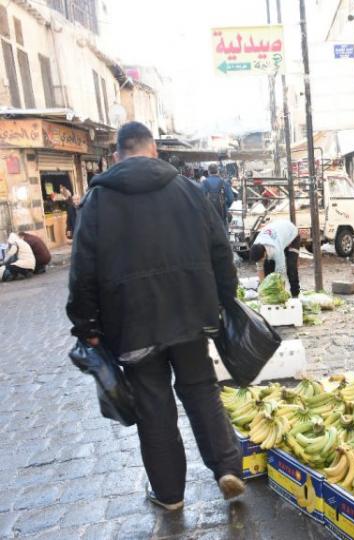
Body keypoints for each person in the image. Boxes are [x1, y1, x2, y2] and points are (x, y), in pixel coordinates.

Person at [66, 121, 245, 511]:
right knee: (201, 391)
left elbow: (82, 272)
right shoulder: (188, 190)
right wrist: (224, 300)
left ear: (117, 155)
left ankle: (170, 495)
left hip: (132, 326)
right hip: (192, 316)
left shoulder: (97, 202)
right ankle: (227, 468)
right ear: (154, 151)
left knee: (154, 406)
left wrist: (88, 327)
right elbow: (220, 252)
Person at [249, 219, 301, 298]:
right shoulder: (256, 247)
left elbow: (281, 275)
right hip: (279, 234)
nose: (260, 261)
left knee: (291, 267)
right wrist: (263, 291)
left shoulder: (276, 251)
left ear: (264, 253)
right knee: (267, 268)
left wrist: (281, 295)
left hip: (292, 234)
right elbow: (260, 270)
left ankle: (295, 294)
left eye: (261, 259)